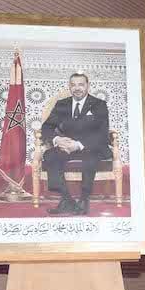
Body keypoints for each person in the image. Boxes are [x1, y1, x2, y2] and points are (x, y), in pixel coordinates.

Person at [41, 72, 112, 215]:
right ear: (69, 86)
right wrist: (57, 140)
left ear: (87, 86)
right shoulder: (62, 104)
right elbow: (46, 127)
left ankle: (84, 200)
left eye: (81, 84)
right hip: (68, 146)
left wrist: (78, 145)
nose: (77, 88)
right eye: (73, 85)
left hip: (91, 146)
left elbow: (102, 134)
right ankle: (66, 200)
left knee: (90, 156)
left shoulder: (99, 105)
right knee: (50, 155)